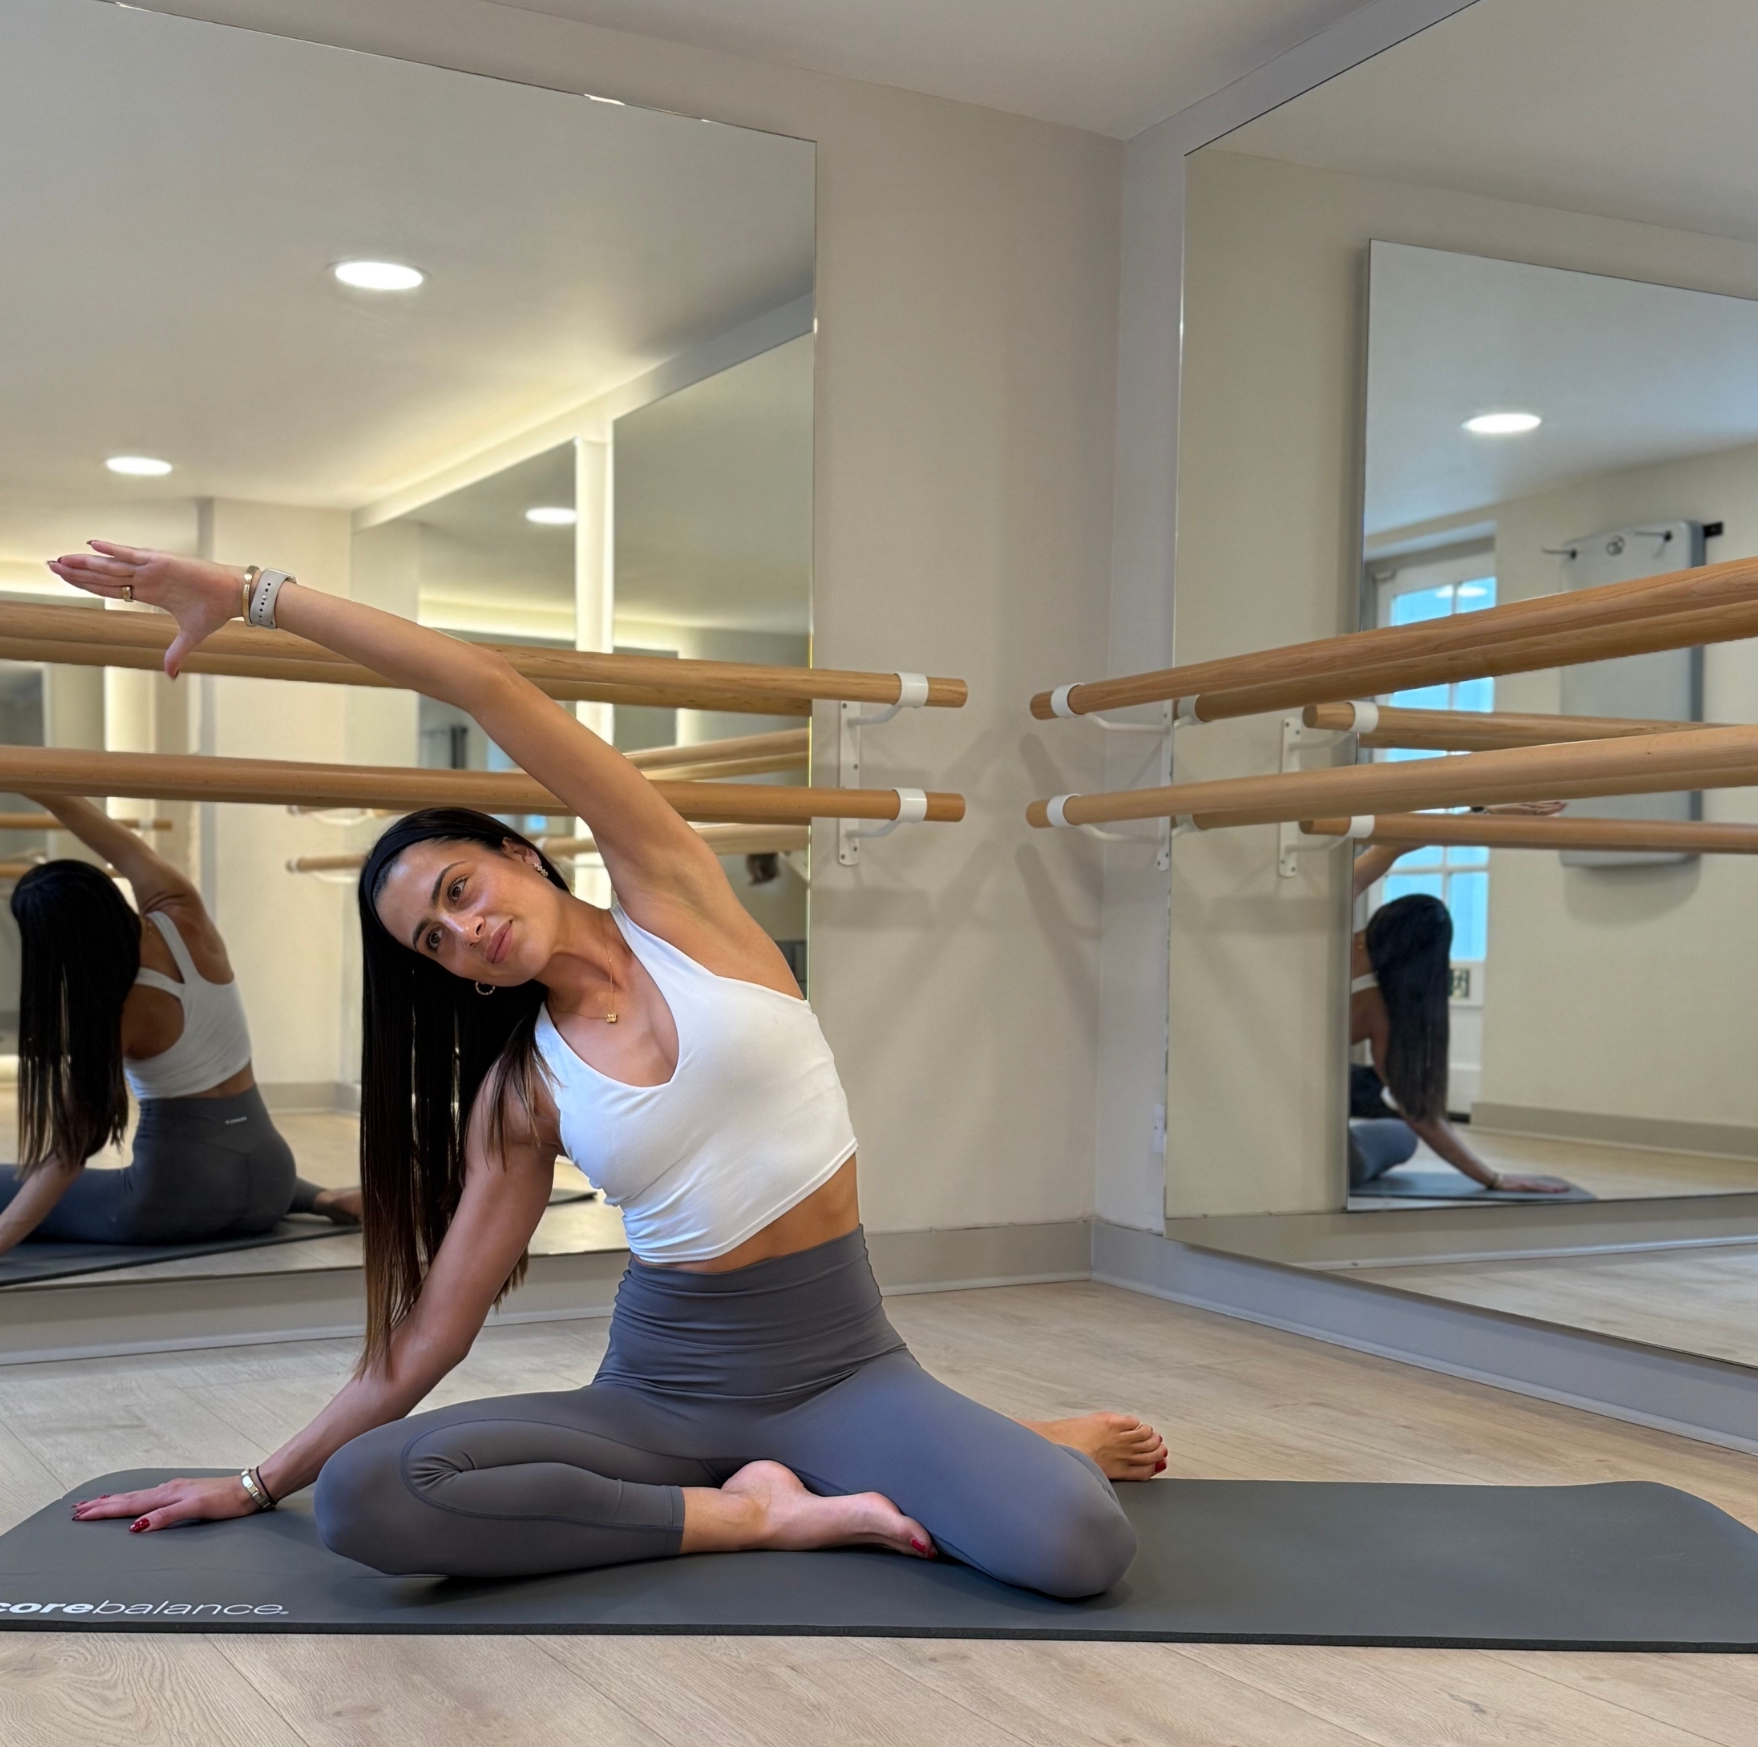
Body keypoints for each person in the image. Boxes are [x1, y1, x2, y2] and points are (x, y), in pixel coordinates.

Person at [65, 539, 1158, 1595]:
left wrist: (253, 594)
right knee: (364, 1497)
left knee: (1075, 1545)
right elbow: (432, 1333)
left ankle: (977, 1448)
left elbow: (487, 686)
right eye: (433, 944)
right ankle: (750, 1511)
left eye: (457, 890)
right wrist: (258, 1484)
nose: (466, 931)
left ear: (518, 852)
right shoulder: (521, 1090)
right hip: (658, 1398)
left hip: (843, 1371)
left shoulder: (680, 907)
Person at [0, 720, 357, 1279]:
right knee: (232, 1155)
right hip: (273, 1178)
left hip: (178, 1202)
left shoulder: (113, 1014)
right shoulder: (182, 913)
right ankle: (323, 1199)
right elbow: (72, 806)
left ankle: (315, 1199)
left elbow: (67, 1155)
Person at [1348, 830, 1573, 1196]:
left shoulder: (1329, 928)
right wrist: (1494, 1179)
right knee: (1400, 1137)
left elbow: (1392, 845)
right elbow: (1419, 1116)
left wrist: (1486, 815)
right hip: (1294, 1118)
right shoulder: (1381, 1012)